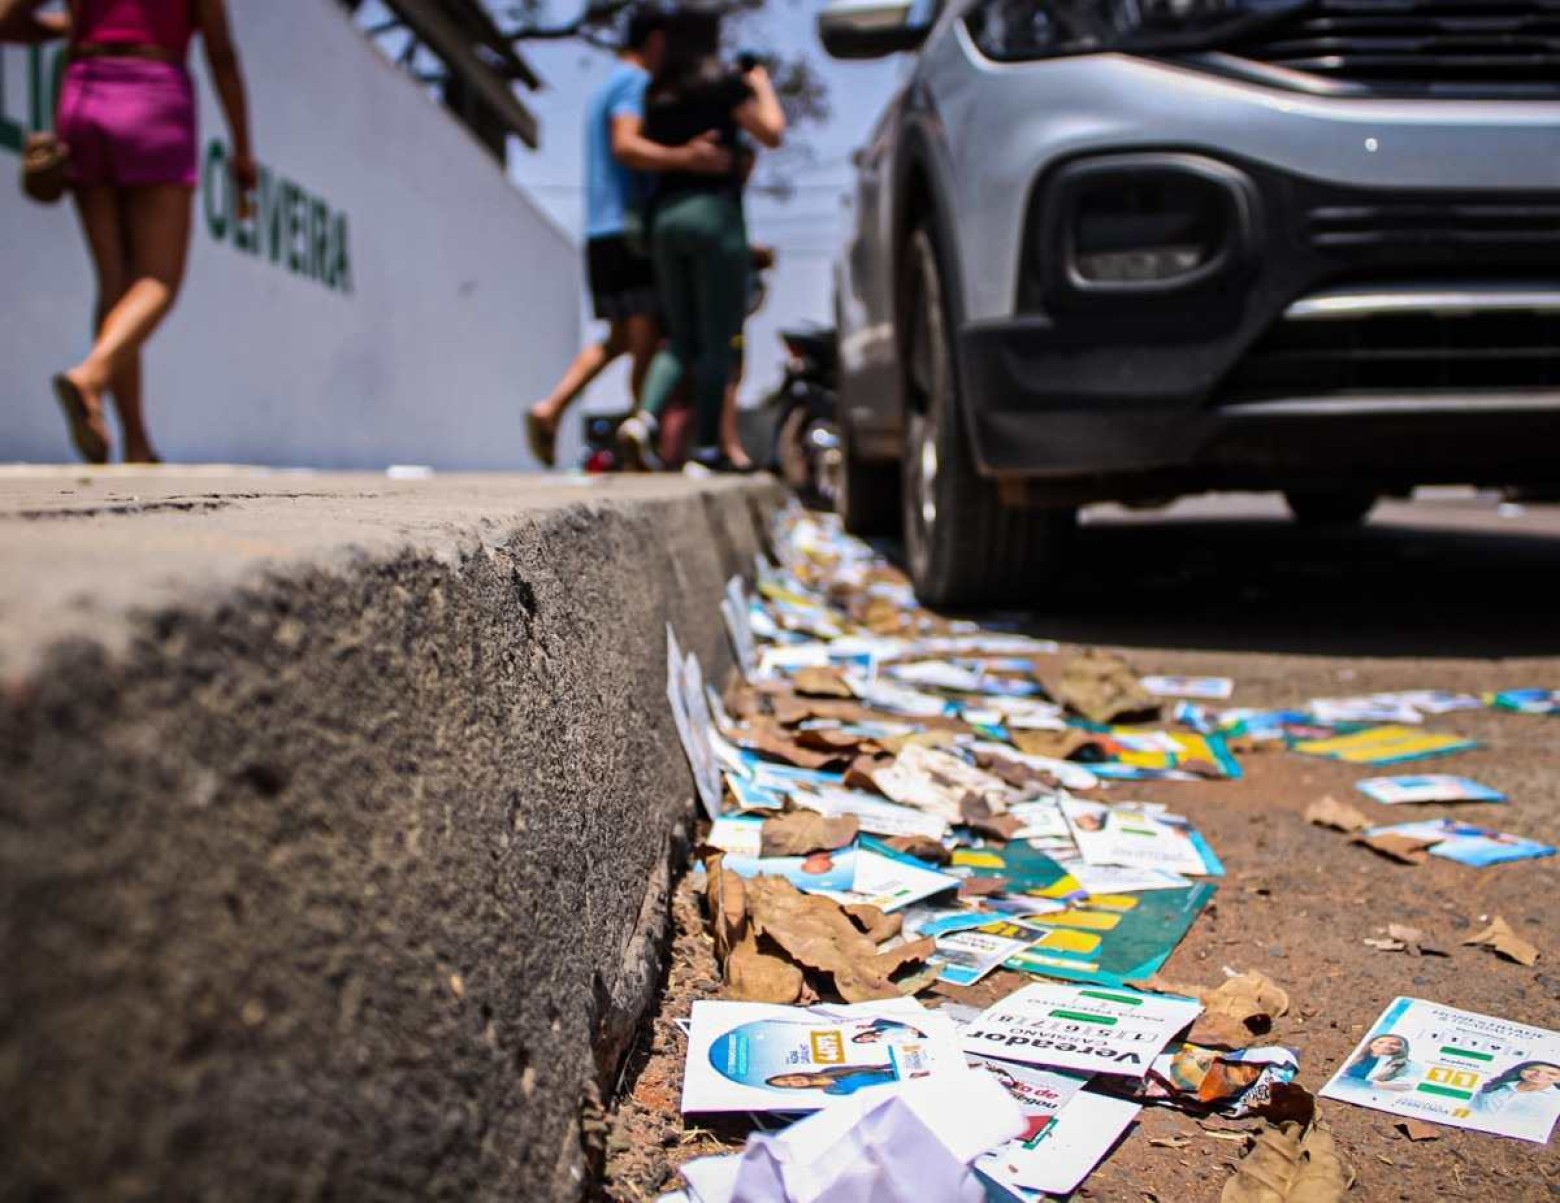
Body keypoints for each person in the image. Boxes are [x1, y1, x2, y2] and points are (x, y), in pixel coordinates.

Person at [1, 0, 255, 465]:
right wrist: (242, 149)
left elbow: (6, 19)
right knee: (159, 279)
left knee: (113, 281)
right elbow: (222, 54)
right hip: (155, 99)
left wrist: (66, 27)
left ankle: (135, 441)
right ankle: (90, 377)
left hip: (84, 97)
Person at [524, 6, 731, 468]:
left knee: (620, 335)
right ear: (656, 41)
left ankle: (552, 407)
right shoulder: (634, 85)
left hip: (603, 229)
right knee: (646, 338)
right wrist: (687, 158)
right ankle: (640, 438)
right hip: (627, 229)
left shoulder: (605, 86)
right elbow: (626, 144)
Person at [618, 9, 785, 474]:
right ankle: (707, 448)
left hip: (666, 222)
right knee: (718, 342)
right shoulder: (722, 87)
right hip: (715, 218)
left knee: (679, 340)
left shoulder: (655, 95)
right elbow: (772, 132)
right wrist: (759, 83)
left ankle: (644, 418)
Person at [1472, 1061, 1560, 1121]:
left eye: (1552, 1073)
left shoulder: (1556, 1100)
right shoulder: (1496, 1087)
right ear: (1521, 1070)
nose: (1539, 1075)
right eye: (1533, 1069)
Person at [1340, 1033, 1421, 1091]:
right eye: (1380, 1042)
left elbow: (1407, 1085)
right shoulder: (1355, 1057)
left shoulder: (1408, 1065)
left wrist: (1368, 1084)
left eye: (1395, 1044)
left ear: (1404, 1048)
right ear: (1371, 1043)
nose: (1386, 1045)